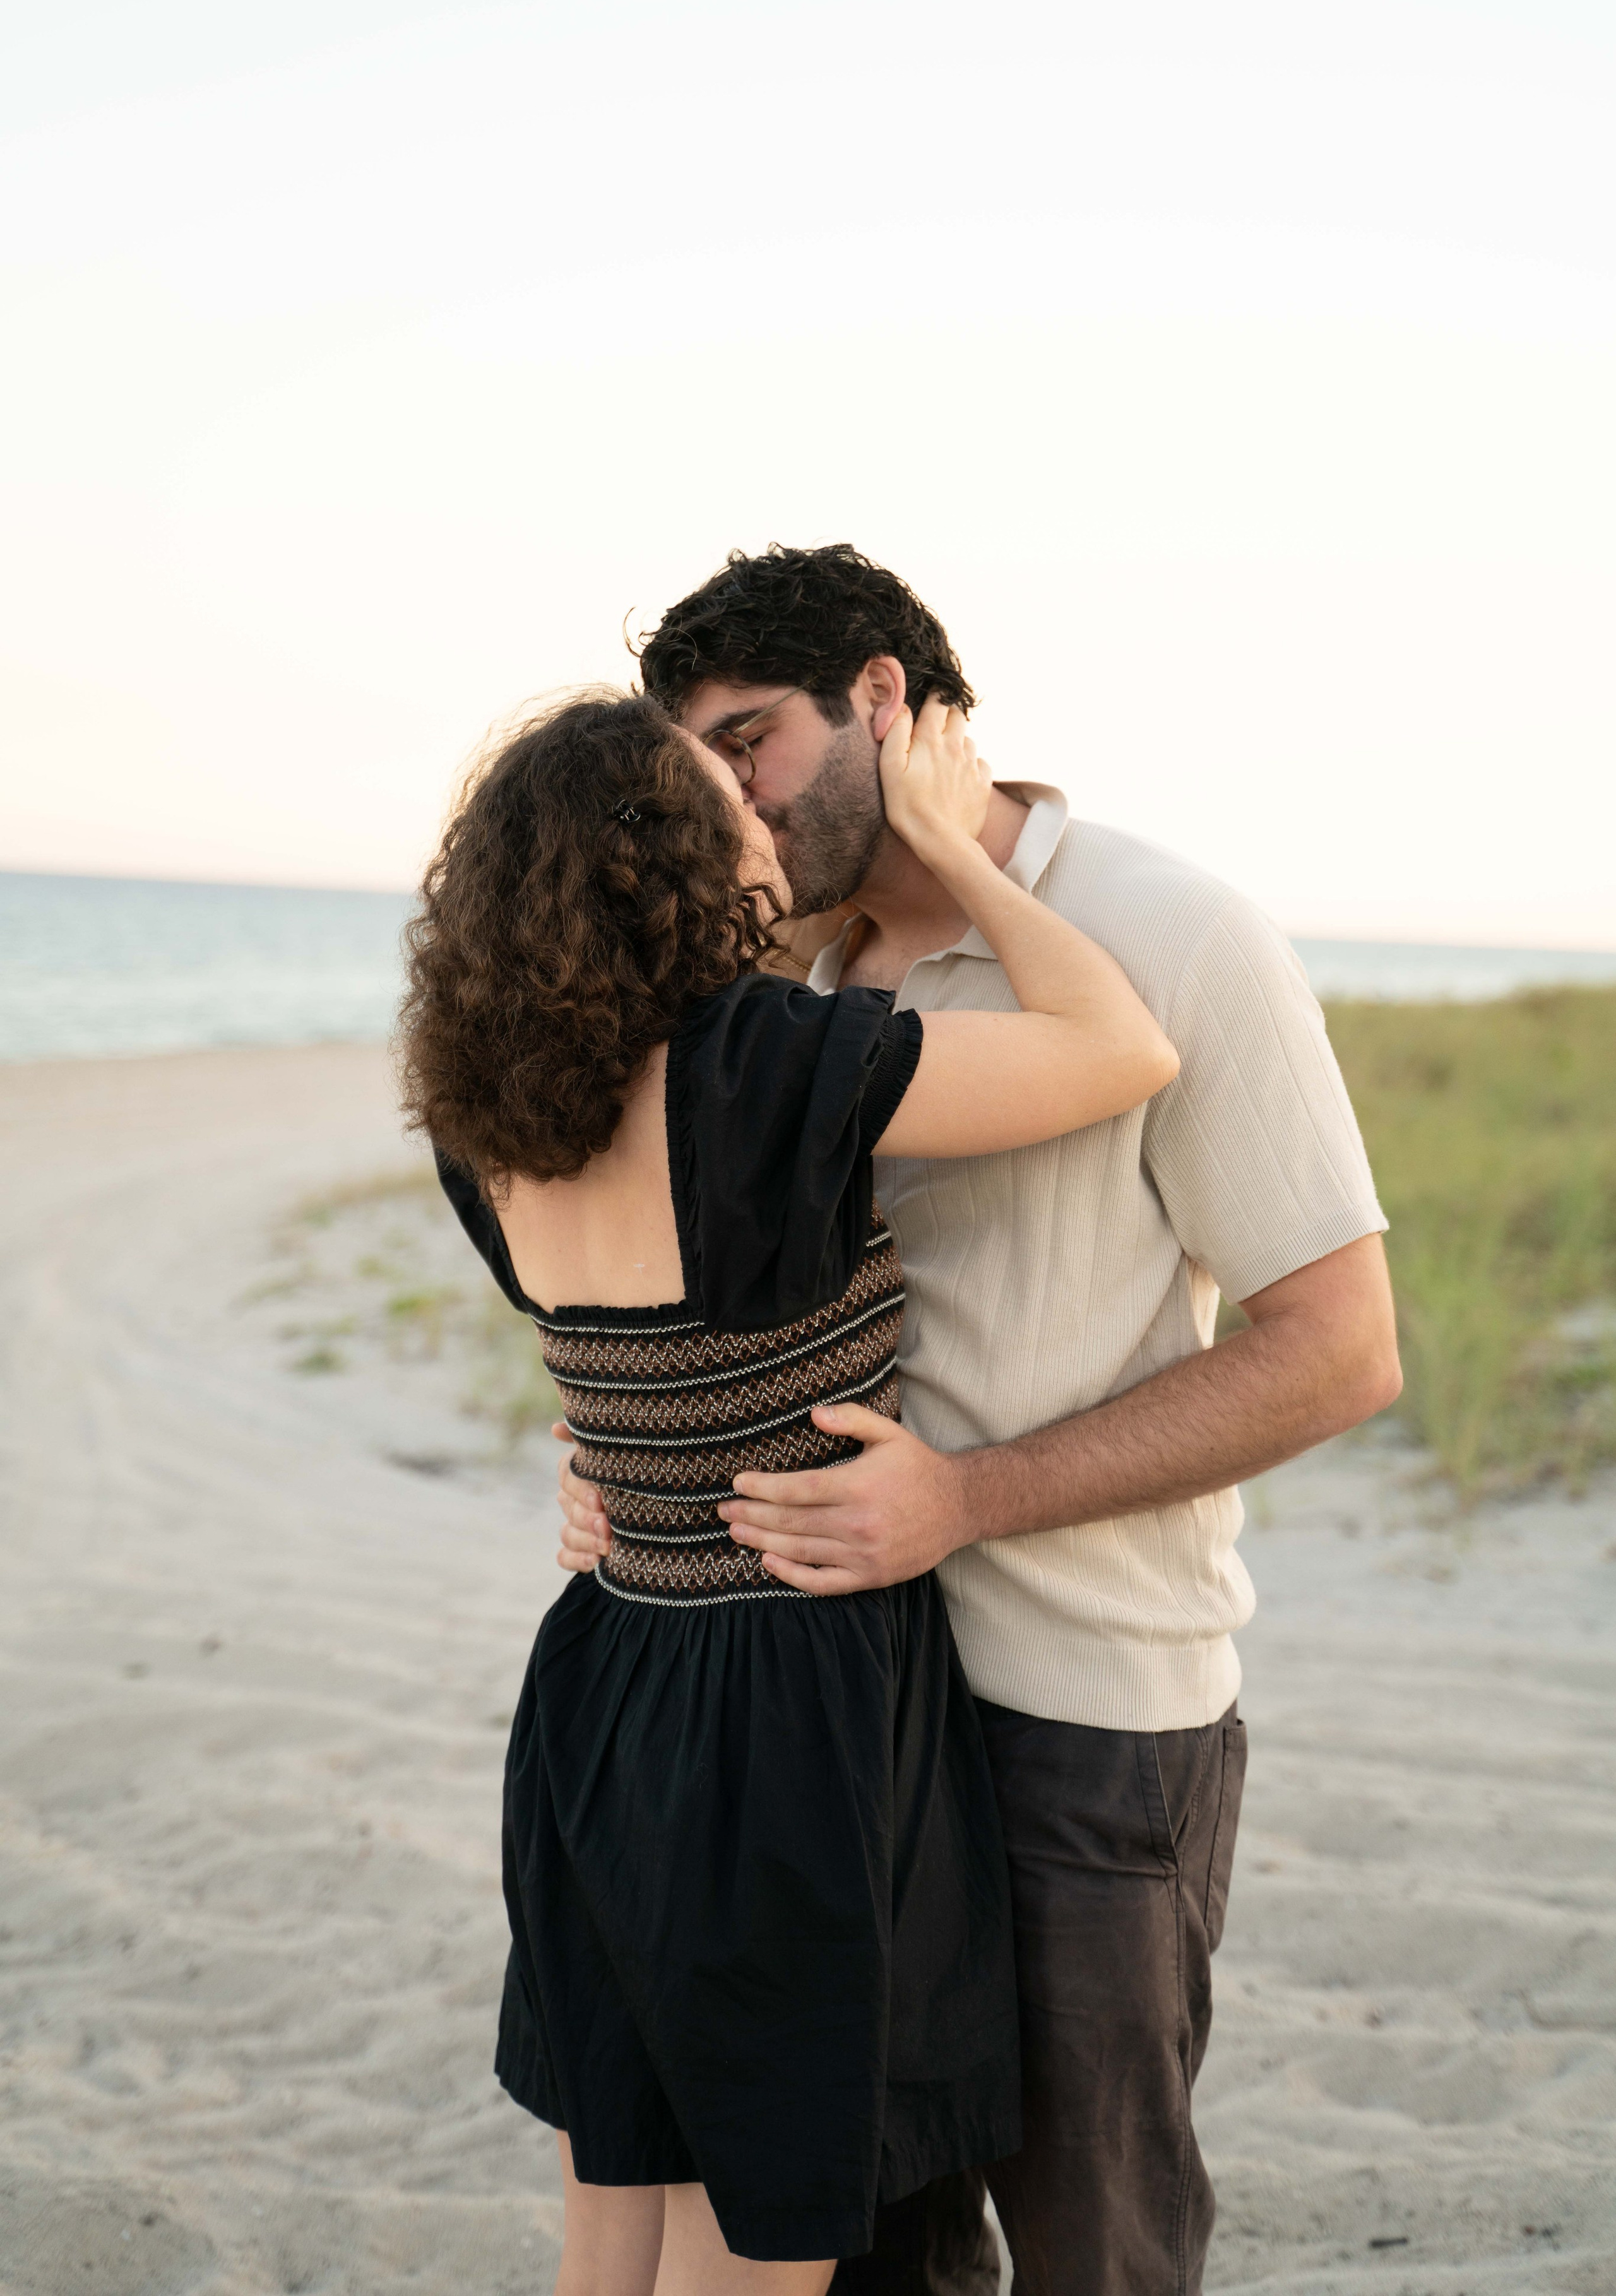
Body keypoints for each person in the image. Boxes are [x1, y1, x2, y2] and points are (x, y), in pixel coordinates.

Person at [558, 544, 1403, 2296]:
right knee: (860, 2255)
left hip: (1076, 1719)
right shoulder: (766, 968)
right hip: (816, 1719)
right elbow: (668, 1268)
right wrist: (611, 1470)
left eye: (749, 743)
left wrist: (971, 1497)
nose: (721, 800)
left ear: (884, 699)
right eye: (693, 764)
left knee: (1098, 2246)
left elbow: (1337, 1351)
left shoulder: (1172, 933)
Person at [396, 685, 1180, 2295]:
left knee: (613, 2211)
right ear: (667, 860)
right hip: (779, 1707)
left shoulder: (489, 1117)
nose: (762, 827)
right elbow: (1122, 1046)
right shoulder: (756, 1067)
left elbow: (619, 1374)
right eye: (725, 809)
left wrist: (611, 1470)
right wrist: (964, 857)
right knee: (755, 2239)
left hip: (603, 1681)